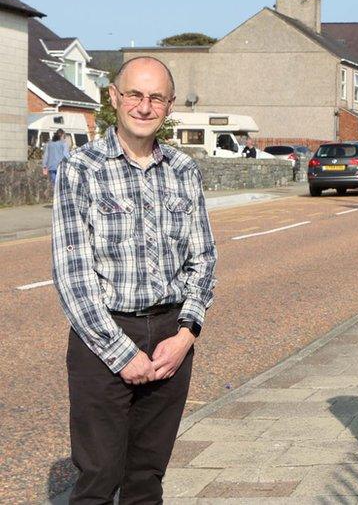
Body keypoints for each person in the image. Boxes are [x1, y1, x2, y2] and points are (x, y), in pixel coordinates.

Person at [52, 56, 217, 504]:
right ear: (114, 98)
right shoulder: (80, 169)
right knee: (98, 479)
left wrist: (185, 335)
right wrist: (122, 353)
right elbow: (72, 274)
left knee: (147, 477)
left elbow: (203, 259)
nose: (144, 107)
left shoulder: (184, 170)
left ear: (169, 104)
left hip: (170, 335)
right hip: (102, 336)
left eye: (156, 97)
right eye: (135, 95)